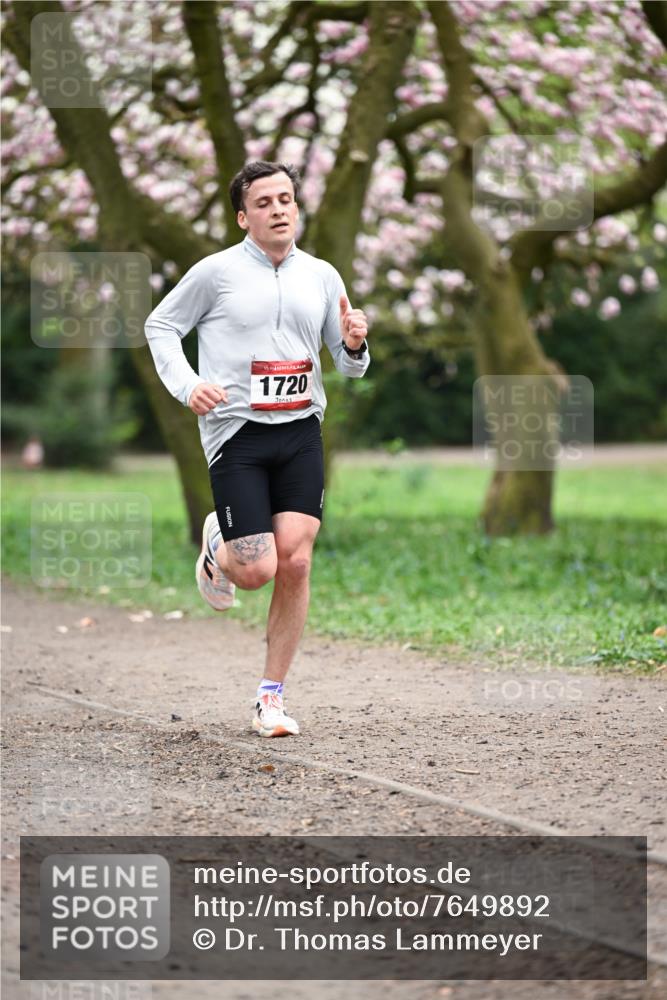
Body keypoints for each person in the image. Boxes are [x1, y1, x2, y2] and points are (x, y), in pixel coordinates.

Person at [144, 160, 370, 738]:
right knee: (255, 571)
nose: (279, 210)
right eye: (265, 202)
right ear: (244, 216)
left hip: (299, 429)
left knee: (296, 559)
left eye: (287, 199)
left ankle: (271, 697)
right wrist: (189, 384)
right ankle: (218, 541)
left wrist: (352, 345)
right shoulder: (215, 273)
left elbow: (347, 366)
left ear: (298, 208)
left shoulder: (321, 275)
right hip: (236, 431)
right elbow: (160, 325)